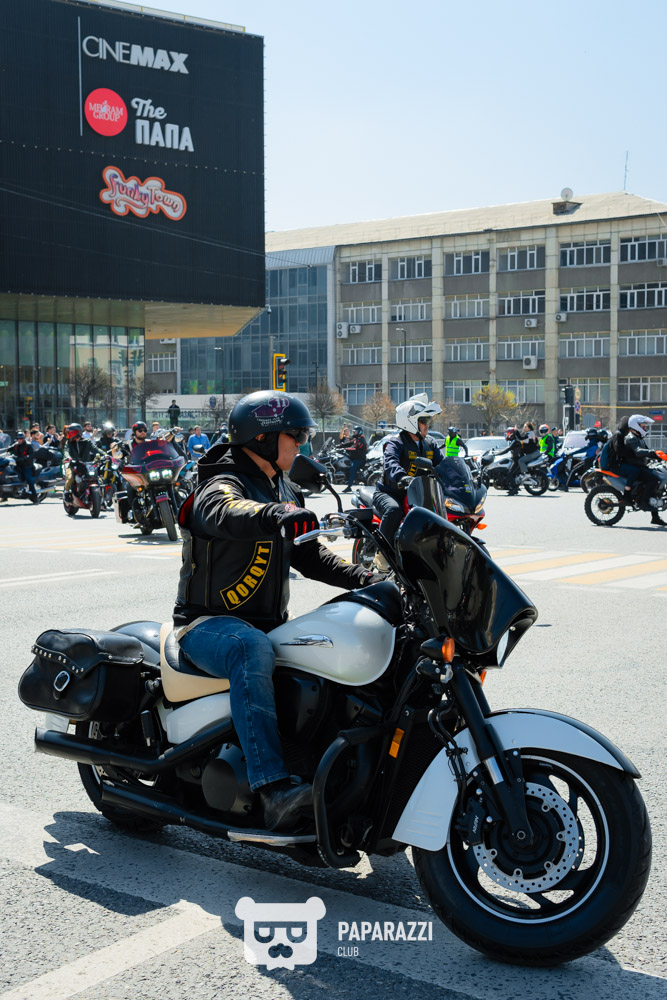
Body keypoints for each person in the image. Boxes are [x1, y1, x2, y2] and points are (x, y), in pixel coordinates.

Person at [173, 390, 377, 831]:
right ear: (263, 438)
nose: (302, 444)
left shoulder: (284, 487)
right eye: (296, 435)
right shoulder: (221, 481)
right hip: (206, 626)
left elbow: (310, 557)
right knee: (249, 647)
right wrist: (275, 514)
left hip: (268, 626)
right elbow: (223, 511)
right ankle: (272, 789)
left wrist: (368, 579)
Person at [373, 394, 444, 549]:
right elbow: (391, 462)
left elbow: (442, 465)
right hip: (392, 493)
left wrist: (457, 476)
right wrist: (401, 477)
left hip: (419, 494)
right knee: (394, 511)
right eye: (424, 421)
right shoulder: (396, 442)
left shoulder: (430, 443)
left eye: (428, 421)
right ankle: (382, 551)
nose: (427, 425)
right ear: (410, 422)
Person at [609, 414, 664, 525]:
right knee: (653, 479)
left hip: (640, 465)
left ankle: (655, 517)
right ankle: (643, 502)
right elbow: (638, 451)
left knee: (656, 481)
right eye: (643, 426)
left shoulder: (639, 438)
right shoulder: (631, 438)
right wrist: (654, 452)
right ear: (636, 426)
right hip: (635, 466)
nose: (645, 428)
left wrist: (659, 456)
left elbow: (647, 453)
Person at [8, 430, 39, 502]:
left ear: (24, 438)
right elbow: (8, 449)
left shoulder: (28, 445)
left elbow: (32, 455)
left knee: (29, 479)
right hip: (18, 465)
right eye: (18, 438)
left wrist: (24, 458)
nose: (19, 440)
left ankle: (35, 497)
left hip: (27, 466)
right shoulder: (16, 445)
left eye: (21, 438)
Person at [341, 426, 368, 491]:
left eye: (355, 432)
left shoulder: (361, 440)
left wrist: (346, 449)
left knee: (352, 469)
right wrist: (339, 446)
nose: (354, 433)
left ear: (359, 432)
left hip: (359, 458)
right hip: (354, 457)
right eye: (353, 431)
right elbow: (349, 443)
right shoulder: (356, 439)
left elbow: (356, 448)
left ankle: (349, 486)